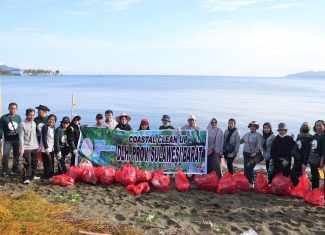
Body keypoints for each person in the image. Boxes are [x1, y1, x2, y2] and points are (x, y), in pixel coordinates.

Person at [0, 102, 22, 176]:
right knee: (5, 155)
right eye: (11, 108)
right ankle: (4, 171)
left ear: (16, 109)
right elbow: (0, 128)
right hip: (7, 140)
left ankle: (14, 170)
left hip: (16, 139)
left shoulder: (18, 117)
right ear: (8, 108)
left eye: (14, 109)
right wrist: (1, 137)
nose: (13, 110)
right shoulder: (4, 117)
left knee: (16, 155)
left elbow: (20, 128)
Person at [18, 108, 39, 184]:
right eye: (30, 115)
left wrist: (38, 145)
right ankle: (26, 178)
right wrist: (22, 147)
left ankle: (33, 175)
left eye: (33, 115)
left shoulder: (34, 123)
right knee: (27, 163)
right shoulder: (22, 124)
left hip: (35, 146)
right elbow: (21, 136)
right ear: (26, 115)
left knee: (34, 162)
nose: (31, 116)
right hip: (26, 147)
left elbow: (35, 135)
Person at [240, 121, 264, 186]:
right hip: (246, 154)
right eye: (251, 126)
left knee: (249, 168)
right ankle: (247, 182)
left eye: (254, 126)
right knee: (246, 169)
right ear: (249, 127)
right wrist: (237, 137)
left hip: (253, 155)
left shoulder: (259, 135)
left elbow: (259, 145)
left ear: (256, 127)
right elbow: (240, 141)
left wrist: (255, 152)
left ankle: (251, 183)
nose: (252, 127)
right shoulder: (246, 134)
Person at [291, 122, 312, 186]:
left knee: (295, 174)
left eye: (306, 127)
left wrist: (304, 163)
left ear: (309, 128)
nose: (305, 127)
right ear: (301, 127)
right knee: (294, 174)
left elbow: (307, 151)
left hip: (302, 159)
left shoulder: (310, 137)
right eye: (304, 126)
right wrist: (292, 139)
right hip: (296, 158)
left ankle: (298, 187)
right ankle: (296, 187)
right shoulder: (299, 135)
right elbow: (297, 145)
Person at [307, 120, 325, 189]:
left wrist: (322, 162)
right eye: (317, 125)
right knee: (316, 176)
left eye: (320, 125)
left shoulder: (324, 136)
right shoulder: (314, 136)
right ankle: (315, 192)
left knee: (317, 176)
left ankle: (318, 192)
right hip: (313, 160)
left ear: (324, 126)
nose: (318, 127)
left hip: (321, 161)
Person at [40, 114, 57, 179]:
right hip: (45, 149)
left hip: (51, 148)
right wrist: (46, 147)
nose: (51, 121)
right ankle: (47, 176)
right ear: (48, 119)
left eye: (53, 120)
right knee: (47, 163)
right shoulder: (45, 127)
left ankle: (51, 175)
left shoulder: (53, 127)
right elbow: (44, 138)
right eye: (50, 119)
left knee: (51, 162)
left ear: (55, 121)